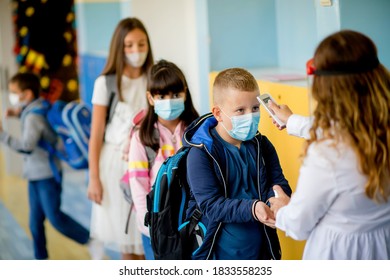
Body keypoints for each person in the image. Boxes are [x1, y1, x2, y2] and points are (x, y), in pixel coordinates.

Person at [269, 30, 390, 259]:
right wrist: (293, 121)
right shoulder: (378, 131)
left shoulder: (327, 154)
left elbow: (299, 224)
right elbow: (351, 129)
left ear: (326, 87)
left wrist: (283, 209)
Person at [183, 68, 292, 260]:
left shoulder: (262, 145)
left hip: (262, 251)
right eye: (240, 110)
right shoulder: (200, 153)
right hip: (219, 255)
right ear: (218, 113)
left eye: (255, 108)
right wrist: (252, 208)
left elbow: (278, 183)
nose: (250, 116)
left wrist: (278, 197)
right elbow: (211, 205)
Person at [0, 72, 91, 260]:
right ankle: (41, 261)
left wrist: (2, 135)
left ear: (27, 94)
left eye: (14, 92)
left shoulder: (33, 117)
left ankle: (90, 241)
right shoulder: (38, 106)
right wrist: (17, 114)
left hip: (46, 176)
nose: (12, 96)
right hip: (35, 175)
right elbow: (36, 124)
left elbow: (27, 146)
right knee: (35, 224)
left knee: (55, 219)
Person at [87, 17, 154, 260]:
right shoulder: (105, 83)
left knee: (150, 237)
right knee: (128, 241)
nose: (136, 51)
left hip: (150, 164)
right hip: (115, 166)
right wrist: (93, 178)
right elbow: (96, 135)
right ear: (119, 47)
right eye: (128, 45)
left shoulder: (154, 78)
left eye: (141, 44)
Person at [128, 60, 199, 260]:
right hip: (156, 227)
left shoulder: (198, 131)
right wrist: (150, 227)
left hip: (192, 224)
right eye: (162, 96)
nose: (169, 101)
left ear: (185, 93)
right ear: (150, 98)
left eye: (176, 95)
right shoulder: (143, 137)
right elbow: (138, 184)